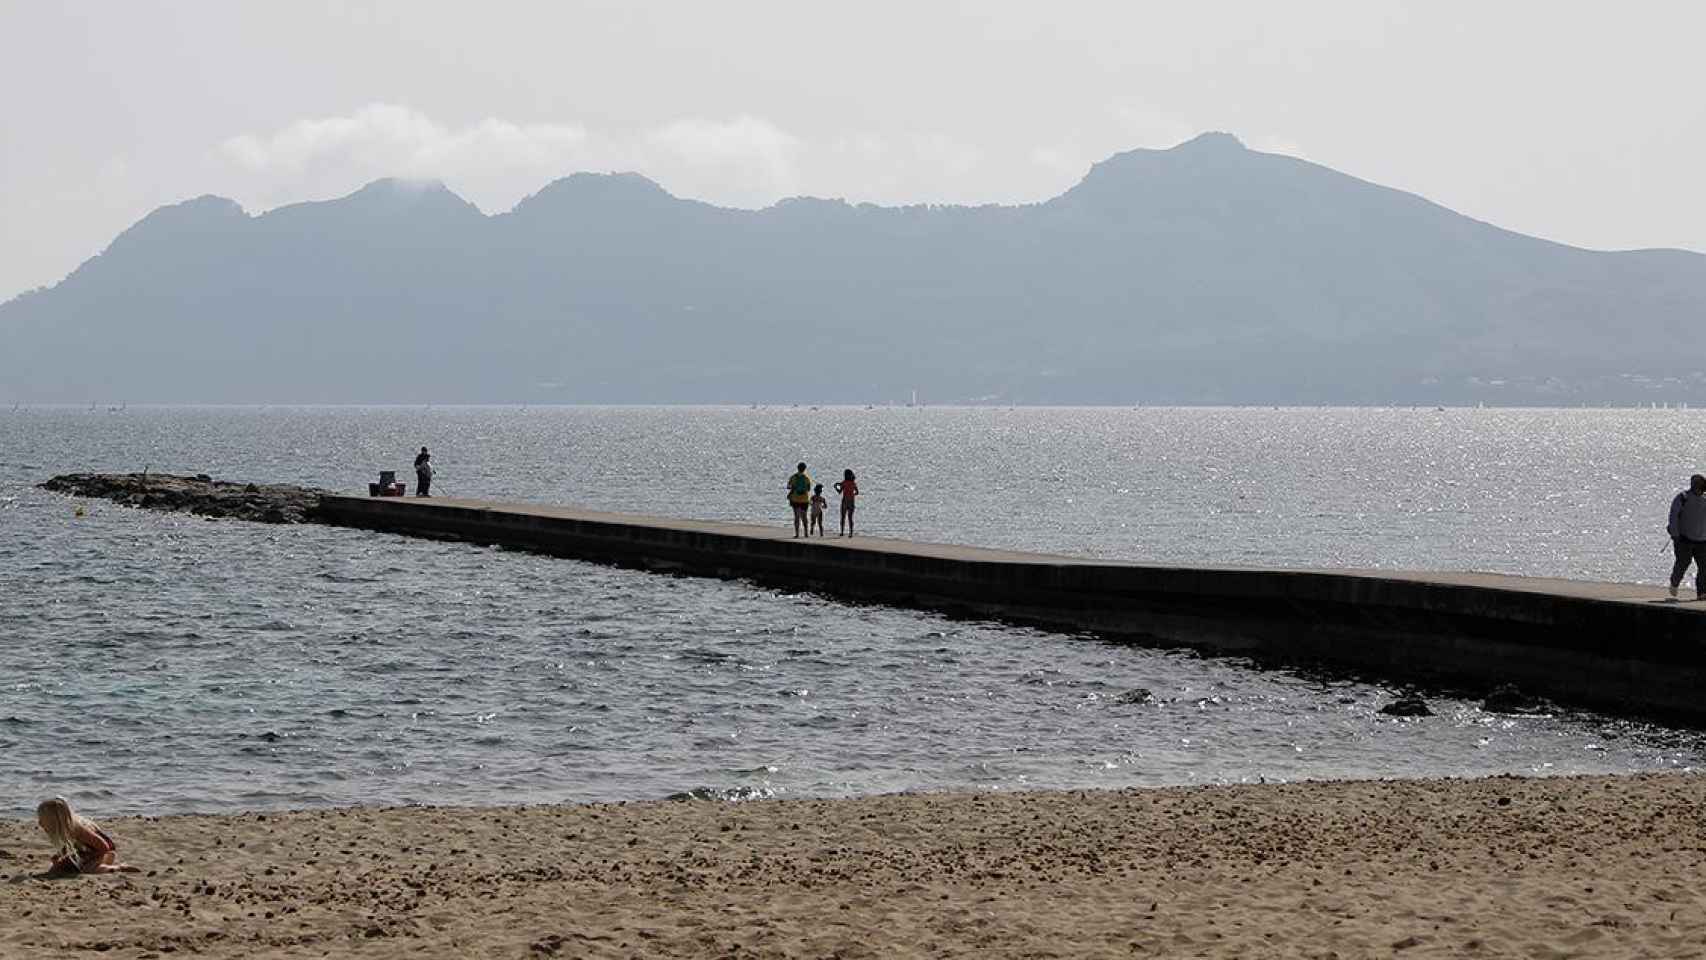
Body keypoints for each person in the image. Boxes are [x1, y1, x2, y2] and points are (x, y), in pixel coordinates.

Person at [36, 797, 137, 875]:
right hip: (87, 851)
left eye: (43, 820)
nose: (40, 823)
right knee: (57, 868)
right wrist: (60, 855)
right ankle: (100, 864)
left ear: (55, 821)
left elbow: (104, 847)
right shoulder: (67, 829)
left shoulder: (78, 830)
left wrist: (85, 859)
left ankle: (119, 868)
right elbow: (72, 844)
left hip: (102, 852)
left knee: (88, 870)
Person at [1668, 474, 1706, 599]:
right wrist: (1675, 534)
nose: (1699, 487)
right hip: (1684, 538)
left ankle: (1702, 593)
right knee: (1683, 562)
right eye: (1697, 484)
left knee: (1704, 566)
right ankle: (1674, 583)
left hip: (1702, 539)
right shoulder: (1683, 497)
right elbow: (1673, 516)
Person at [786, 462, 813, 537]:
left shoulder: (793, 477)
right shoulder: (807, 478)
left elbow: (788, 486)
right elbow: (808, 489)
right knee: (804, 516)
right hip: (804, 500)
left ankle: (797, 534)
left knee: (796, 517)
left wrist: (794, 488)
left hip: (795, 499)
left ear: (797, 468)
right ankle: (806, 533)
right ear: (804, 469)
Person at [834, 468, 859, 536]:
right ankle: (850, 532)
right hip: (851, 501)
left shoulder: (844, 483)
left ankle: (842, 532)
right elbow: (857, 492)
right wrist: (852, 494)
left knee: (843, 517)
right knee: (850, 518)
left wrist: (836, 487)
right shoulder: (853, 483)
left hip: (845, 501)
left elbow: (839, 492)